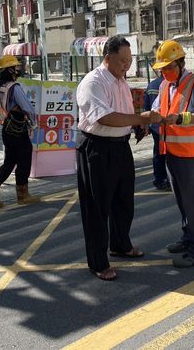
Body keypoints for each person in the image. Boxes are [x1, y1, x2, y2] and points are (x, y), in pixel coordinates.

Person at [76, 35, 162, 281]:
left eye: (130, 60)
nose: (126, 65)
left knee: (123, 201)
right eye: (122, 61)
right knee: (97, 207)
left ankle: (120, 244)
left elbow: (123, 114)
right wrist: (142, 118)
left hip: (120, 147)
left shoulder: (121, 81)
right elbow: (105, 118)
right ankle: (98, 262)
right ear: (107, 58)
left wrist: (136, 126)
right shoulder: (93, 82)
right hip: (97, 148)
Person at [151, 40, 194, 268]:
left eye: (169, 67)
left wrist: (179, 118)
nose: (165, 72)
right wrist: (150, 116)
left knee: (192, 202)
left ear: (180, 63)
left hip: (190, 154)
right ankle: (189, 238)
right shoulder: (165, 86)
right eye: (162, 69)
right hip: (171, 151)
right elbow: (159, 108)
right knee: (182, 201)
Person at [0, 55, 39, 208]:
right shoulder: (15, 88)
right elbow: (28, 107)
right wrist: (34, 124)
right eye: (16, 67)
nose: (18, 69)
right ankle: (23, 196)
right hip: (18, 130)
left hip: (7, 129)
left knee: (9, 161)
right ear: (9, 70)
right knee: (24, 159)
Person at [143, 74, 171, 191]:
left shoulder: (151, 85)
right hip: (168, 126)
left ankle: (159, 179)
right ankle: (169, 180)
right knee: (169, 154)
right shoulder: (170, 85)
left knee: (158, 153)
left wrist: (147, 125)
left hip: (155, 127)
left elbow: (147, 107)